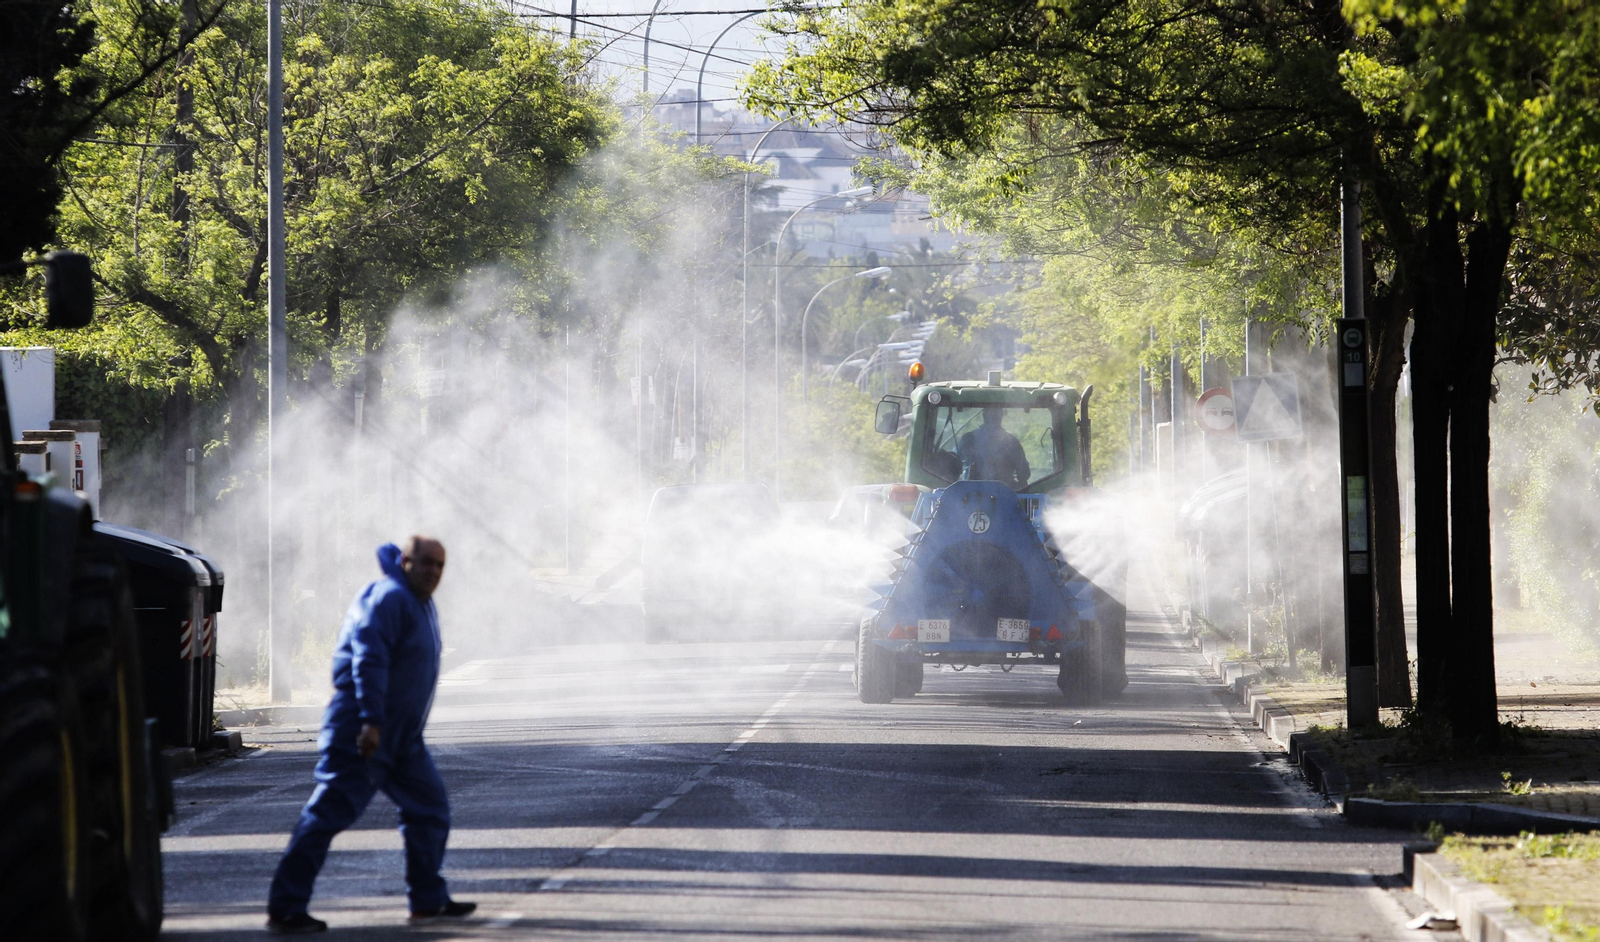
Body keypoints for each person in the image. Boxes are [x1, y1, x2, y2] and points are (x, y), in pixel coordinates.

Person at [266, 537, 475, 934]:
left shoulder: (419, 600)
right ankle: (286, 907)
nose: (433, 571)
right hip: (363, 730)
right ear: (405, 561)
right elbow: (369, 659)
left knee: (430, 809)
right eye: (425, 562)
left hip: (402, 738)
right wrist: (370, 721)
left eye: (439, 565)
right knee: (328, 814)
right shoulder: (391, 598)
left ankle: (427, 900)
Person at [958, 406, 1031, 489]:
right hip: (1005, 497)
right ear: (1001, 416)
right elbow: (1024, 474)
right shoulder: (1012, 441)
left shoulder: (968, 438)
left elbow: (954, 465)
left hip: (968, 496)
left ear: (984, 416)